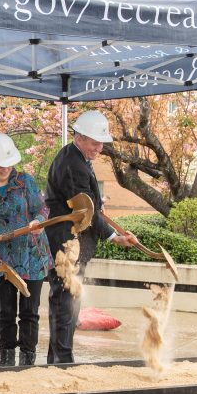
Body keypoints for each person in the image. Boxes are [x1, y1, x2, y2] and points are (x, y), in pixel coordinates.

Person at [43, 110, 137, 364]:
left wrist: (107, 220)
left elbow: (90, 205)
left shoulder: (76, 157)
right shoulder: (72, 164)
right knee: (65, 301)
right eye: (95, 143)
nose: (99, 148)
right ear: (80, 138)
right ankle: (62, 361)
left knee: (69, 300)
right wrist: (112, 236)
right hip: (67, 243)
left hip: (72, 241)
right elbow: (85, 210)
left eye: (101, 143)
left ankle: (59, 358)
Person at [0, 133, 53, 367]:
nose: (5, 169)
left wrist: (38, 222)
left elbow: (42, 209)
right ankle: (6, 361)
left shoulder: (25, 181)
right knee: (6, 312)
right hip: (2, 257)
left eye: (8, 164)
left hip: (31, 253)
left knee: (29, 311)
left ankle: (27, 361)